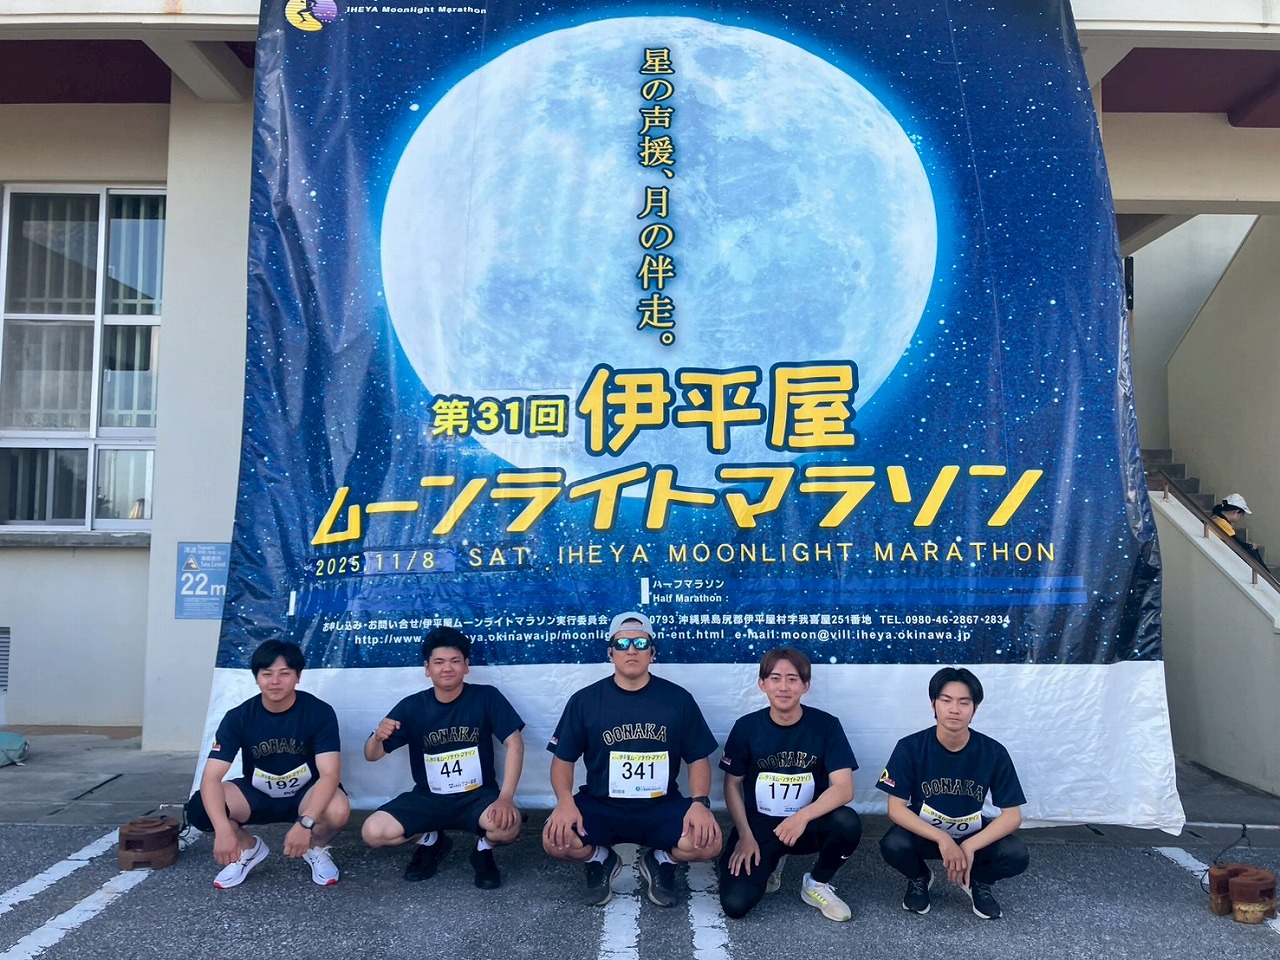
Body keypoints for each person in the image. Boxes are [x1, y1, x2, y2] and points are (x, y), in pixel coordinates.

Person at [543, 611, 722, 907]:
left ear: (652, 652)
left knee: (709, 843)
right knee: (555, 840)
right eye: (622, 644)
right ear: (610, 653)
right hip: (601, 804)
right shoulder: (585, 701)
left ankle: (661, 861)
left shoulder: (678, 700)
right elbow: (563, 760)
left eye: (640, 644)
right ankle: (600, 858)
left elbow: (698, 758)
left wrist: (699, 803)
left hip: (660, 805)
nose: (631, 650)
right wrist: (564, 802)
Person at [361, 626, 525, 889]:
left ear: (466, 666)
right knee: (373, 832)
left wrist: (506, 798)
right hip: (429, 798)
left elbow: (514, 744)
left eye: (455, 661)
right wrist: (377, 738)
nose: (447, 668)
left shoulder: (486, 697)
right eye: (439, 662)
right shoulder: (413, 706)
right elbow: (372, 756)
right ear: (427, 668)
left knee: (508, 826)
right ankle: (431, 841)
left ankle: (483, 850)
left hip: (477, 796)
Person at [185, 639, 349, 889]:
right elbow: (211, 777)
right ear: (256, 678)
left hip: (305, 795)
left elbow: (330, 774)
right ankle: (248, 849)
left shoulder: (319, 712)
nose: (275, 681)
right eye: (267, 674)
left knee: (338, 809)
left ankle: (315, 848)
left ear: (298, 677)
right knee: (201, 807)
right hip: (257, 794)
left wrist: (306, 822)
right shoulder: (238, 717)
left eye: (284, 673)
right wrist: (223, 829)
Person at [718, 647, 862, 922]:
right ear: (762, 684)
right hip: (760, 826)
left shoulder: (826, 726)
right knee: (735, 905)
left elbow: (844, 788)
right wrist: (745, 835)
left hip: (806, 824)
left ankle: (816, 884)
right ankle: (772, 862)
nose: (783, 687)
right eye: (775, 678)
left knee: (847, 822)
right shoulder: (746, 727)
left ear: (805, 686)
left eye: (792, 679)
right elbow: (732, 785)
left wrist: (801, 817)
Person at [877, 667, 1029, 920]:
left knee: (1016, 854)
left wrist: (969, 845)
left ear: (974, 709)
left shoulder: (993, 752)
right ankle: (919, 878)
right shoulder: (910, 747)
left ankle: (978, 880)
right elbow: (895, 808)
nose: (954, 709)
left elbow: (1012, 816)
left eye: (964, 702)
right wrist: (943, 839)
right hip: (927, 832)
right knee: (893, 844)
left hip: (971, 832)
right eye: (946, 700)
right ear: (933, 704)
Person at [1211, 493, 1266, 565]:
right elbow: (1237, 544)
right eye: (1241, 515)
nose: (1240, 518)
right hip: (1221, 552)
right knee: (1253, 553)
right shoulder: (1222, 523)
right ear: (1236, 512)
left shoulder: (1216, 518)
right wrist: (1251, 546)